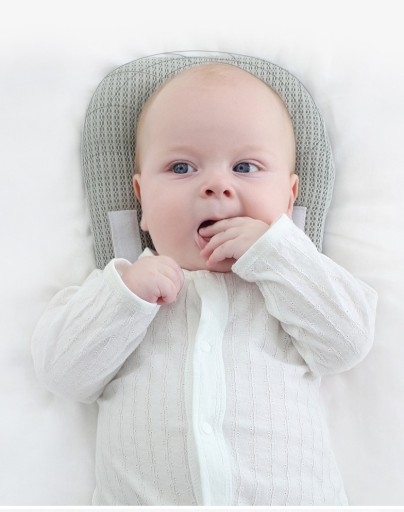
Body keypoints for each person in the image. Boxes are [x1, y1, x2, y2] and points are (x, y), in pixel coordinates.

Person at [32, 63, 377, 506]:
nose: (216, 186)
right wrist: (125, 297)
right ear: (142, 200)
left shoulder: (292, 286)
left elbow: (349, 343)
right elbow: (63, 375)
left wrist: (277, 254)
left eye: (245, 166)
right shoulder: (124, 291)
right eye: (181, 167)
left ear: (289, 200)